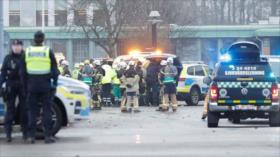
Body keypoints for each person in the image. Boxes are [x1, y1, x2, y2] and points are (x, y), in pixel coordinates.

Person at [21, 31, 59, 144]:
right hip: (45, 85)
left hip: (31, 85)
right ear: (43, 39)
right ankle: (47, 136)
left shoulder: (27, 51)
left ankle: (31, 136)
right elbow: (55, 70)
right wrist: (54, 83)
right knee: (47, 111)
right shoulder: (47, 51)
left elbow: (22, 72)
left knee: (32, 111)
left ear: (34, 39)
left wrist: (25, 86)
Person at [0, 40, 28, 142]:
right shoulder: (8, 58)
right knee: (10, 110)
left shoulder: (25, 57)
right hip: (11, 86)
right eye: (14, 46)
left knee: (24, 110)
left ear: (21, 46)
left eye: (18, 45)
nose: (16, 47)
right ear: (12, 47)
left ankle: (25, 133)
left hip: (23, 86)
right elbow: (3, 74)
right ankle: (8, 134)